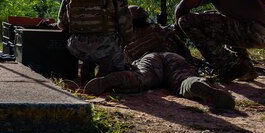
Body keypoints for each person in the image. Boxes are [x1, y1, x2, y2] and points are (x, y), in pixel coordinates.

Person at [83, 51, 236, 110]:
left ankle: (115, 79)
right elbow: (183, 49)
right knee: (183, 80)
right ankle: (196, 85)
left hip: (148, 58)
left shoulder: (133, 37)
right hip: (174, 56)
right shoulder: (163, 31)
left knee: (142, 78)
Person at [124, 5, 196, 64]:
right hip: (173, 63)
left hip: (148, 69)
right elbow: (185, 52)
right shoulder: (163, 32)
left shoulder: (126, 43)